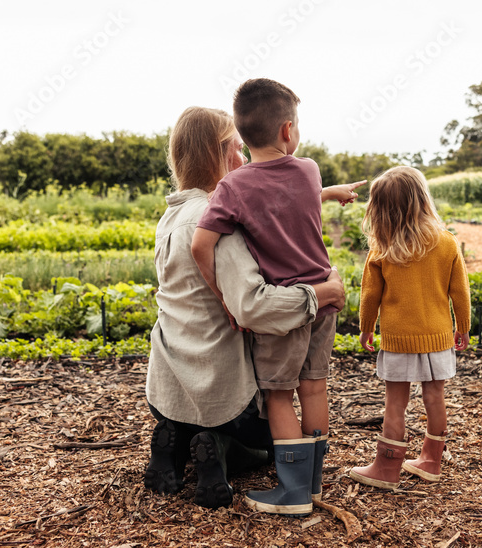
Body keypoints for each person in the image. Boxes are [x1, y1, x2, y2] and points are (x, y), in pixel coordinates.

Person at [144, 106, 346, 510]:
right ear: (218, 155)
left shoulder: (171, 217)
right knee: (274, 441)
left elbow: (268, 200)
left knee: (194, 419)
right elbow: (253, 307)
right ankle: (217, 449)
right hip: (220, 389)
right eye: (237, 149)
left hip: (167, 385)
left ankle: (176, 441)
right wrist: (323, 293)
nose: (244, 160)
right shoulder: (218, 225)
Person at [190, 78, 365, 516]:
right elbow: (296, 199)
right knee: (314, 386)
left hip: (285, 308)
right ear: (288, 131)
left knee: (278, 395)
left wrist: (226, 298)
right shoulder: (308, 170)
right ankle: (314, 482)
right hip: (324, 300)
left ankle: (292, 493)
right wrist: (331, 192)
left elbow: (199, 245)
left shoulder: (233, 189)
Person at [349, 166, 471, 489]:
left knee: (395, 403)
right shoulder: (447, 243)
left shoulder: (383, 249)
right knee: (435, 397)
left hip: (398, 339)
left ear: (380, 210)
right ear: (423, 200)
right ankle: (431, 461)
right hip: (438, 338)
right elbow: (460, 291)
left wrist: (366, 328)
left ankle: (387, 469)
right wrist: (463, 327)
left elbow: (369, 295)